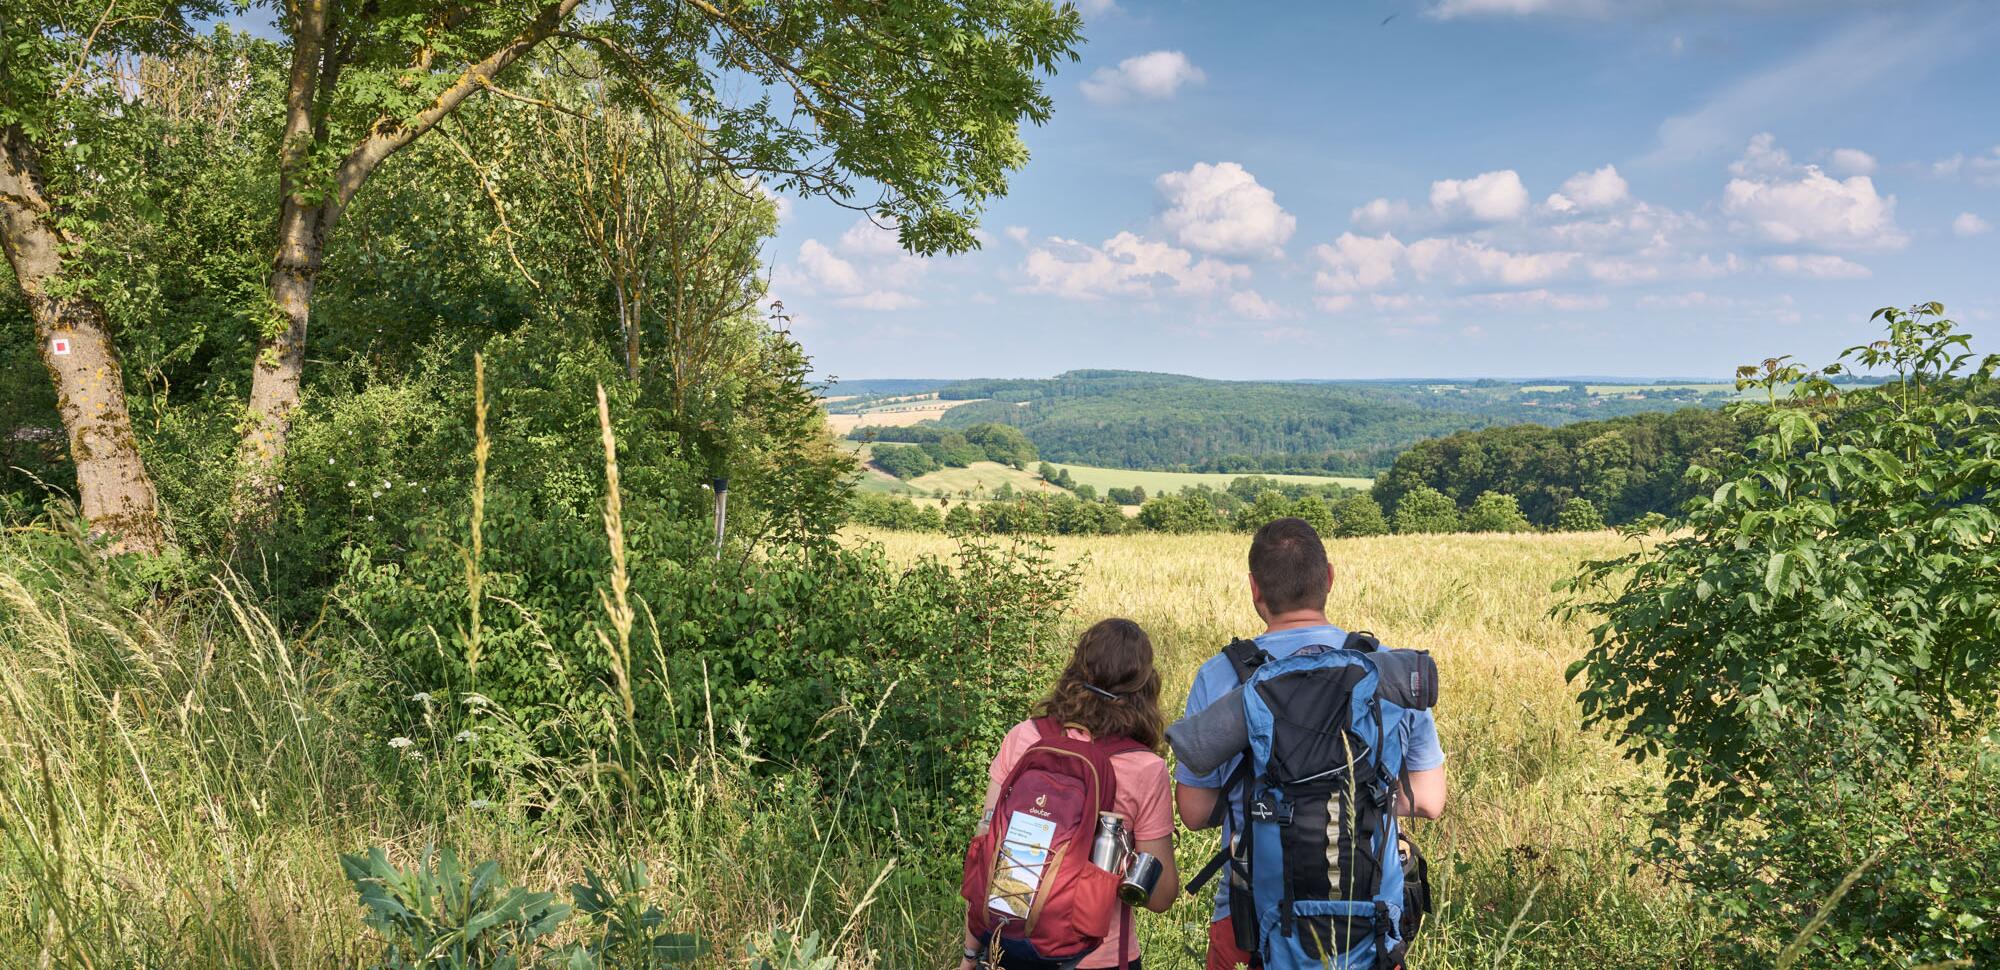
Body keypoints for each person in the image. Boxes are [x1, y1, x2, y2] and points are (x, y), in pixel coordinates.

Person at [1174, 517, 1446, 970]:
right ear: (1330, 578)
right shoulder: (1393, 675)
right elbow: (1431, 801)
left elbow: (1196, 812)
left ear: (1254, 588)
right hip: (1370, 923)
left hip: (1249, 922)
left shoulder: (1219, 676)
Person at [960, 617, 1182, 970]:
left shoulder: (1023, 738)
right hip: (1100, 958)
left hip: (1009, 947)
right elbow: (1161, 897)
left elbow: (986, 849)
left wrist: (971, 954)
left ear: (1074, 670)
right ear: (1145, 688)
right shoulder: (1144, 767)